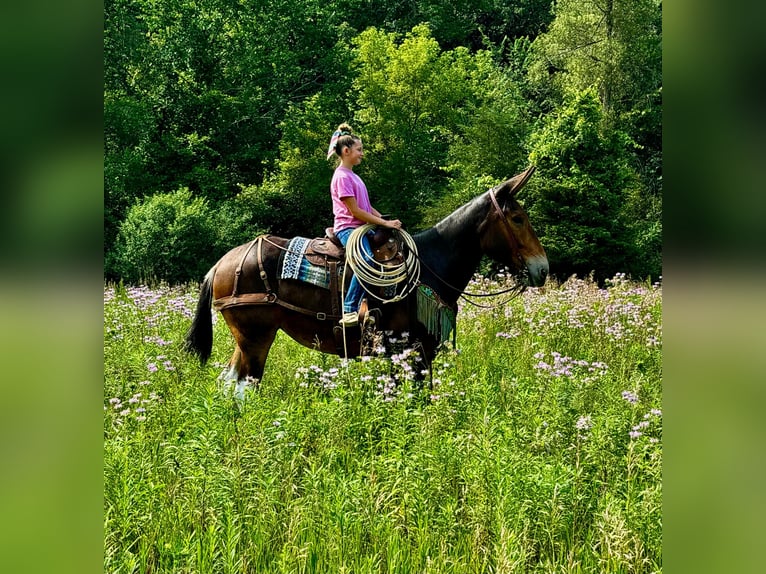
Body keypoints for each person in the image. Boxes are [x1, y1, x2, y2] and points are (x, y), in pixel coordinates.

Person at [327, 123, 402, 327]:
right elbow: (356, 212)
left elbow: (367, 207)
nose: (362, 154)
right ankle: (350, 309)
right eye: (359, 150)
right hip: (348, 228)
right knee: (367, 262)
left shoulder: (354, 176)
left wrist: (388, 222)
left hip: (362, 226)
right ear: (346, 151)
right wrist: (384, 222)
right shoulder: (341, 177)